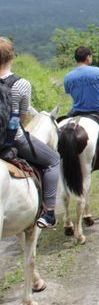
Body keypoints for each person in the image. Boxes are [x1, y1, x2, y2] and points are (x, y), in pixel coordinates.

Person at [0, 37, 61, 228]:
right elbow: (23, 118)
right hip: (13, 139)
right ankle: (49, 212)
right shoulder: (22, 84)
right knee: (53, 160)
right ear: (12, 56)